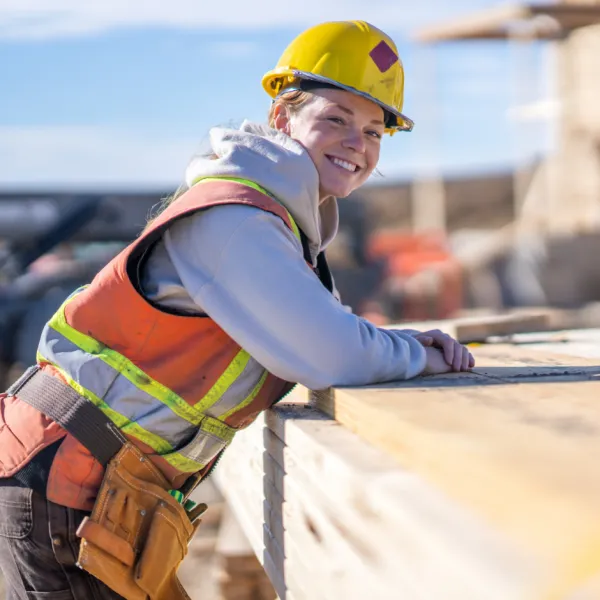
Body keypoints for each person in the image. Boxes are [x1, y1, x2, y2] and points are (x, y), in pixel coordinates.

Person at [0, 20, 474, 600]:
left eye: (376, 131)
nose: (359, 143)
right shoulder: (237, 221)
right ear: (282, 117)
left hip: (96, 475)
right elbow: (334, 355)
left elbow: (326, 331)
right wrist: (417, 357)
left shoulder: (280, 223)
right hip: (71, 474)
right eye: (336, 119)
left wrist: (405, 342)